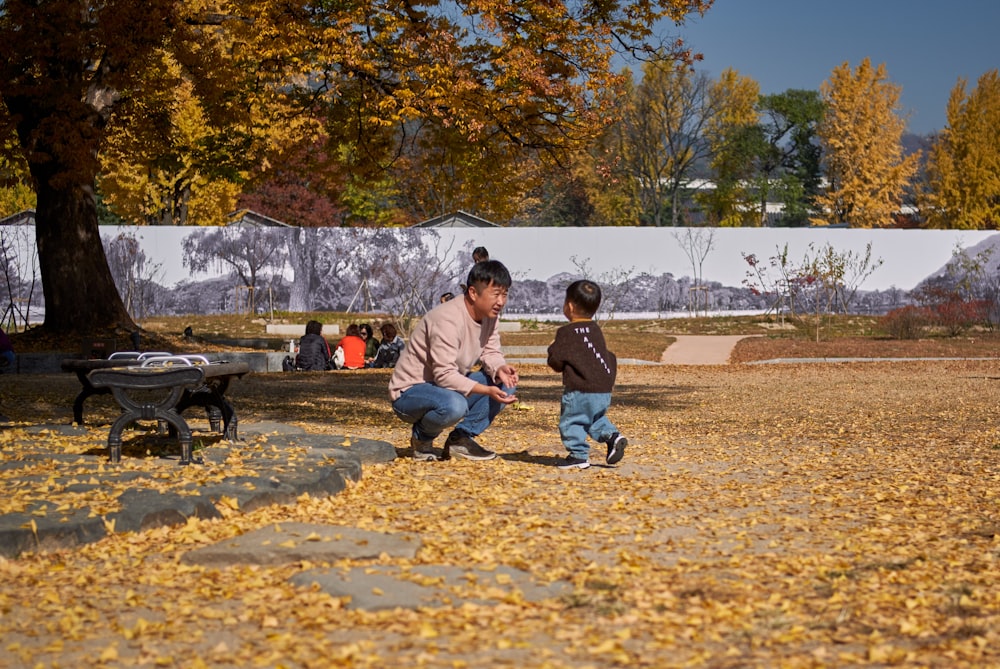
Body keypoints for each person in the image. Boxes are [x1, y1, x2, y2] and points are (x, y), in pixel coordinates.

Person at [389, 260, 518, 462]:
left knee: (505, 384)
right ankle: (422, 439)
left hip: (446, 386)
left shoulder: (490, 316)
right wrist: (485, 390)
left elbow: (491, 350)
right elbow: (444, 375)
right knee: (454, 405)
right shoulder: (447, 319)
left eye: (505, 294)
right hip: (410, 393)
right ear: (474, 293)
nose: (501, 301)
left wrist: (499, 368)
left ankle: (460, 439)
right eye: (496, 294)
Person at [546, 280, 627, 470]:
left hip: (580, 389)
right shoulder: (595, 329)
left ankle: (578, 455)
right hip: (603, 389)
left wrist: (552, 349)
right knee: (593, 419)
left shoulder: (565, 332)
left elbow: (556, 362)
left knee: (572, 420)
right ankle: (613, 437)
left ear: (570, 306)